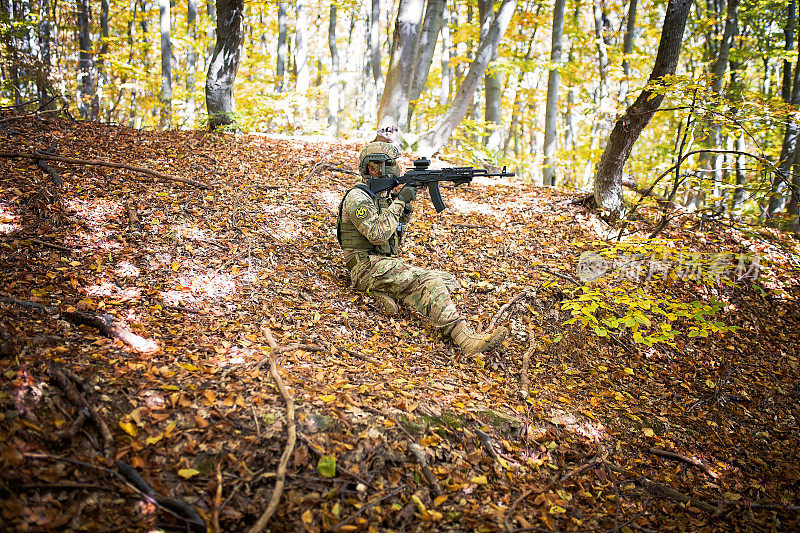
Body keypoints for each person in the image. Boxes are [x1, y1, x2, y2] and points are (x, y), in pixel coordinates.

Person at [336, 127, 507, 356]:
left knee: (447, 281)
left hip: (380, 265)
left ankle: (387, 295)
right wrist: (399, 203)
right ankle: (465, 340)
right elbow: (377, 234)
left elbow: (392, 243)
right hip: (365, 268)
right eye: (388, 165)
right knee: (429, 280)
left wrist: (404, 210)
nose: (394, 169)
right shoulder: (357, 197)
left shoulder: (381, 198)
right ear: (372, 167)